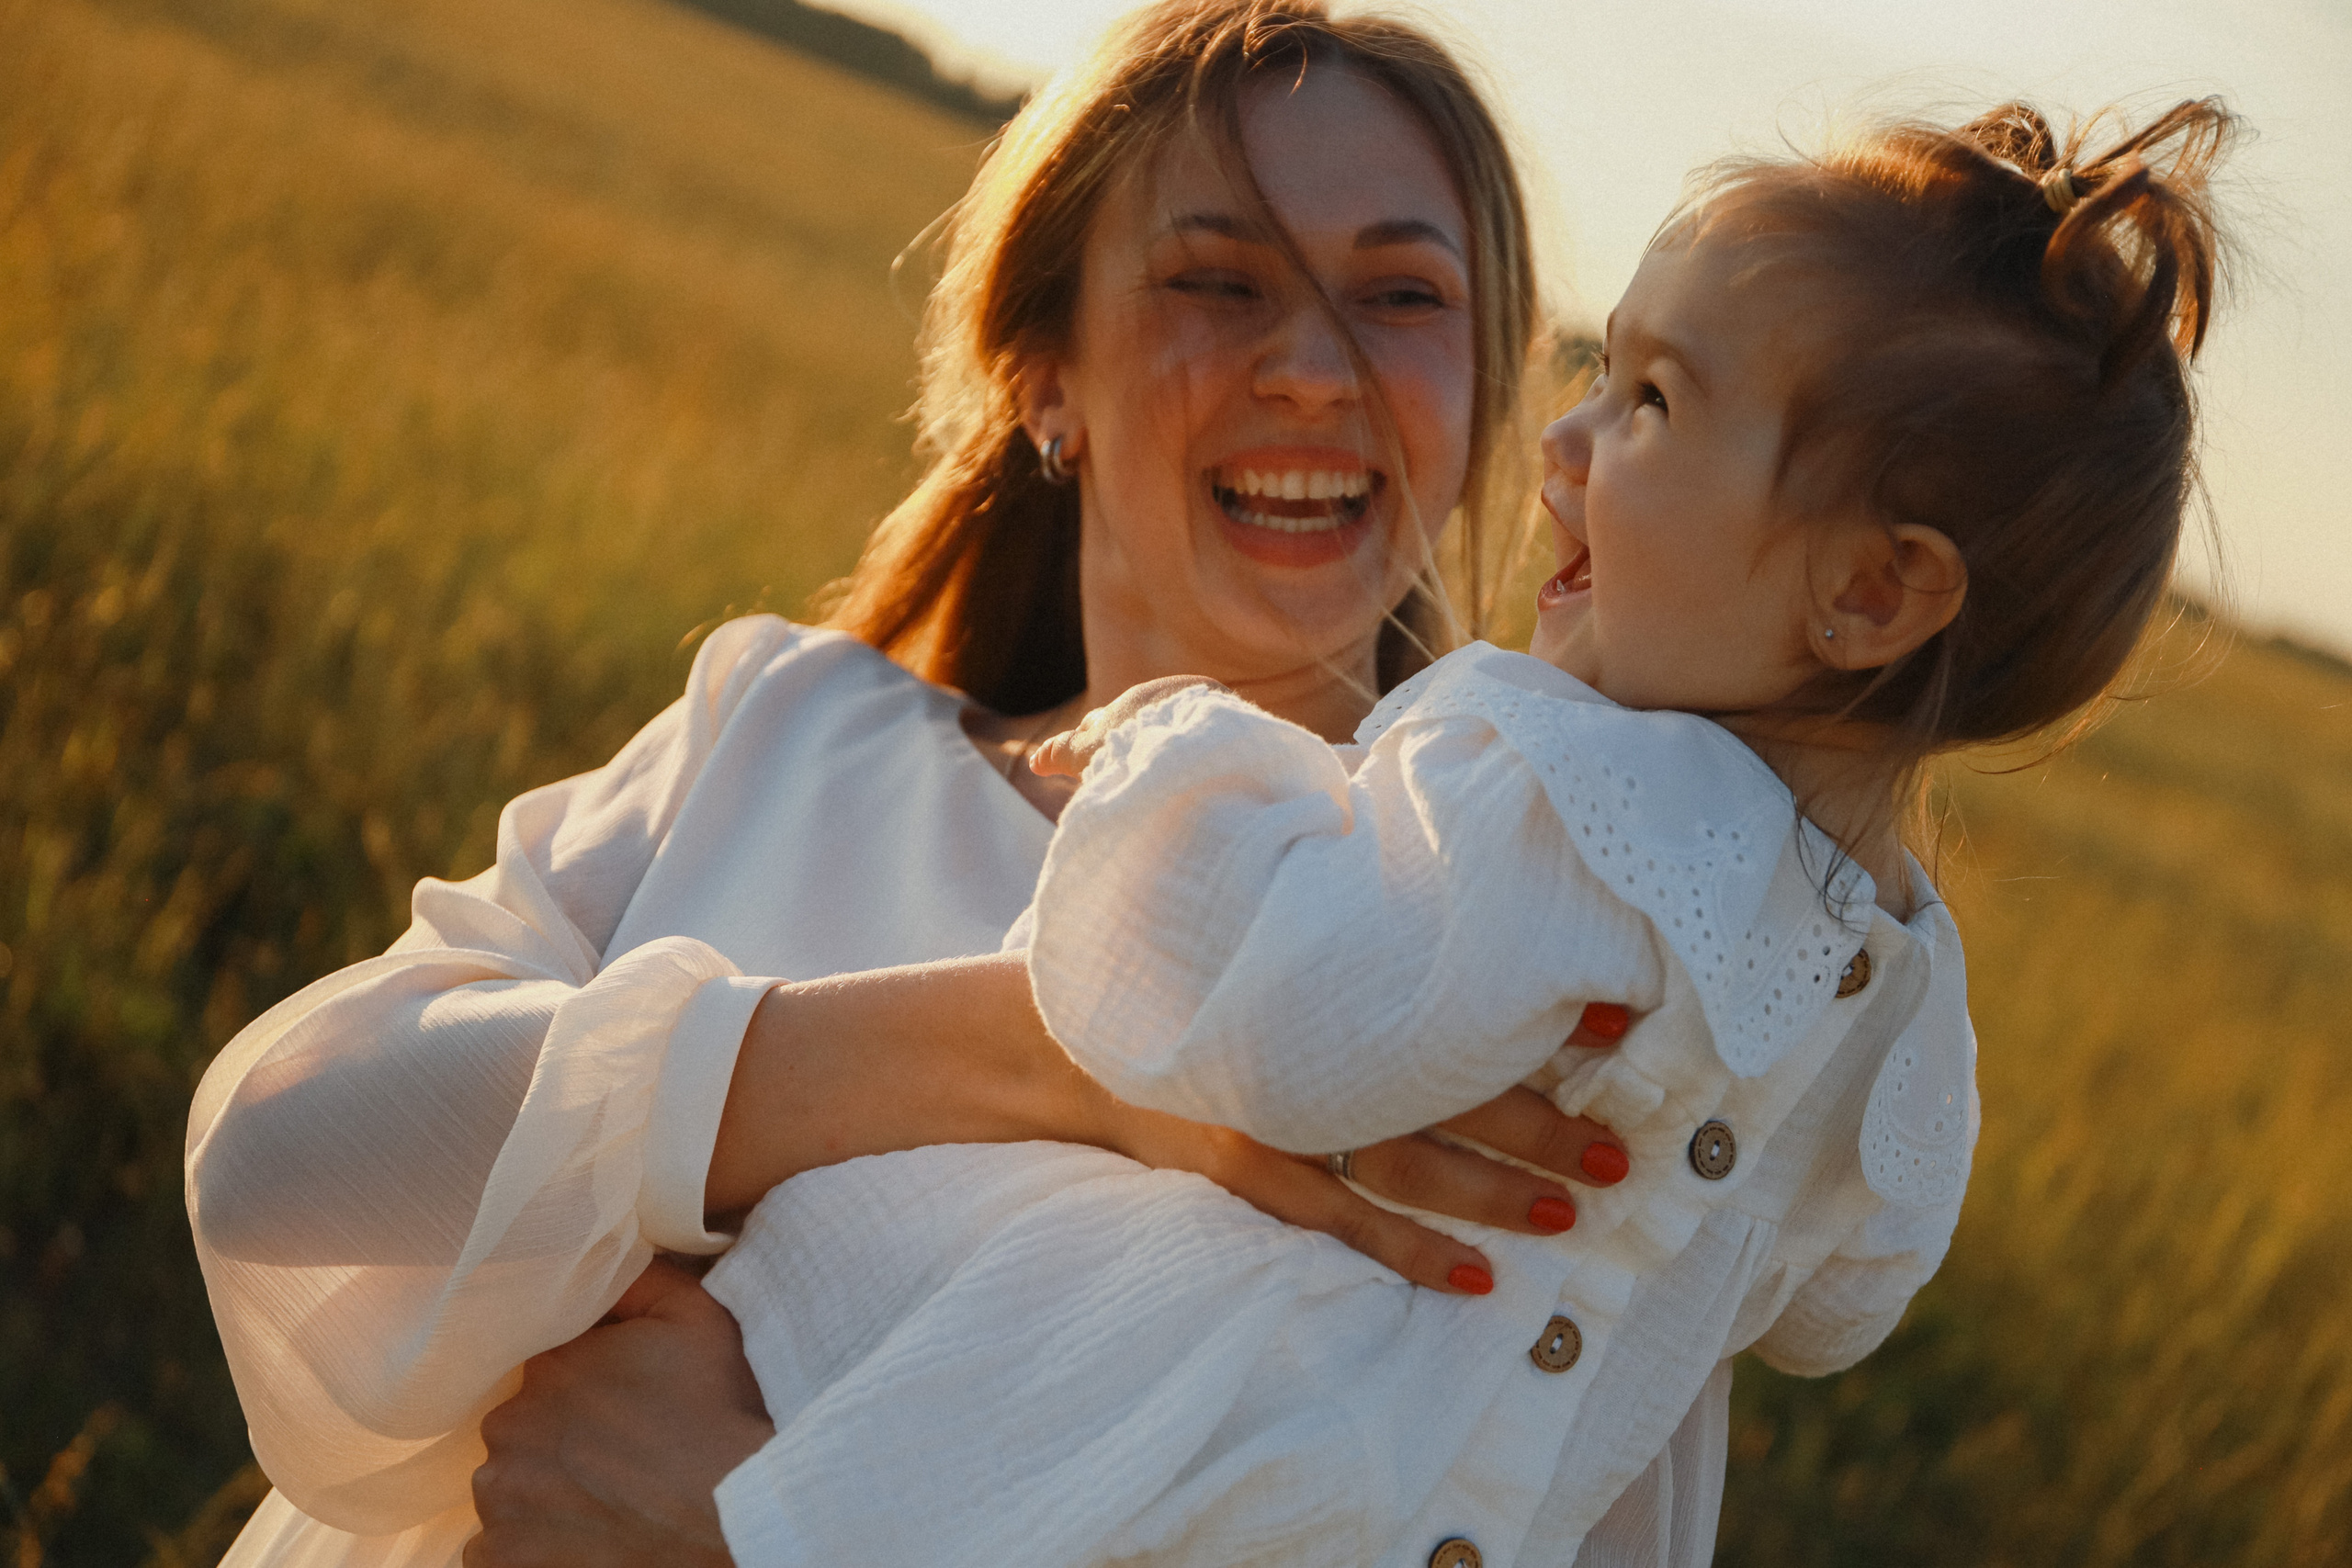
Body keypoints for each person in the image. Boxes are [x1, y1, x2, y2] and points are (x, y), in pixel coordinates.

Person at [466, 91, 2236, 1567]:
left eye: (1652, 404)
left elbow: (1288, 1014)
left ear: (1872, 590)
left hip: (1128, 1426)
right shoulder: (1899, 973)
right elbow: (1851, 1291)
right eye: (1218, 283)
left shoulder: (1531, 765)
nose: (1566, 444)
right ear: (1043, 371)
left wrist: (1169, 760)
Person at [186, 4, 1650, 1563]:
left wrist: (751, 1527)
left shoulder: (1489, 960)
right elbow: (282, 1158)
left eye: (1400, 293)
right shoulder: (785, 730)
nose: (1309, 367)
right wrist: (1075, 1062)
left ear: (1487, 389)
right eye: (1218, 280)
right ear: (1045, 378)